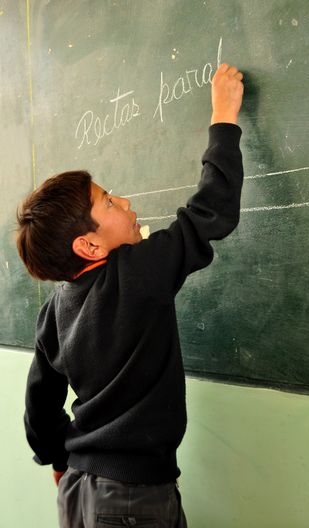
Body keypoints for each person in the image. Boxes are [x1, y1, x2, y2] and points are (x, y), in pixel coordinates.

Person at [16, 63, 244, 528]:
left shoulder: (53, 312)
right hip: (131, 501)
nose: (124, 202)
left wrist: (58, 459)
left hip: (79, 489)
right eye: (109, 202)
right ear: (90, 245)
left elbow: (39, 407)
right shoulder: (136, 273)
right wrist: (224, 117)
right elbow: (209, 214)